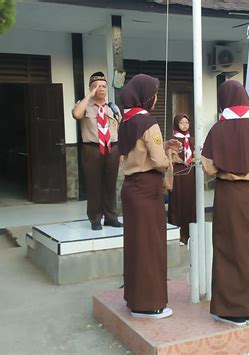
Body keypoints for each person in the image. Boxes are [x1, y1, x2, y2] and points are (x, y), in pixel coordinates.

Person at [201, 80, 249, 327]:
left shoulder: (217, 130)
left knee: (228, 247)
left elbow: (209, 167)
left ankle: (231, 309)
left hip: (228, 195)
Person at [118, 74, 180, 319]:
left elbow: (137, 153)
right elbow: (156, 161)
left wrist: (161, 147)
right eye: (154, 93)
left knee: (135, 245)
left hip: (131, 188)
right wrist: (169, 159)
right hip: (147, 189)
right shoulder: (148, 123)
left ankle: (134, 298)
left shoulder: (126, 121)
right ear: (147, 96)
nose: (155, 98)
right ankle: (150, 304)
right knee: (150, 246)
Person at [72, 72, 123, 231]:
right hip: (92, 149)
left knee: (110, 184)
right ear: (91, 88)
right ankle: (95, 218)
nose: (101, 88)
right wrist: (90, 95)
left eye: (103, 86)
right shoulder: (84, 105)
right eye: (97, 86)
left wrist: (121, 152)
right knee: (94, 184)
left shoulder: (112, 107)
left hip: (112, 148)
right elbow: (76, 114)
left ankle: (111, 217)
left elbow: (120, 128)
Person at [167, 113, 196, 246]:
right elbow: (168, 158)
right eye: (181, 123)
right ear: (176, 124)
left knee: (190, 202)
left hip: (191, 174)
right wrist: (176, 159)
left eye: (187, 123)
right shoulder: (172, 140)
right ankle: (178, 234)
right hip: (178, 174)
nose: (184, 125)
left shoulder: (193, 140)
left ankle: (192, 234)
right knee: (177, 201)